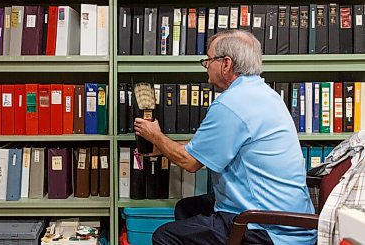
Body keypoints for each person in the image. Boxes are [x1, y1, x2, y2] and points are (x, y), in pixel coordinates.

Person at [134, 30, 317, 245]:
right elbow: (203, 149)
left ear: (226, 64)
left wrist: (156, 136)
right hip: (292, 220)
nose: (206, 66)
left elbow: (190, 162)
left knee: (165, 237)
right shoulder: (263, 93)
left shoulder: (232, 103)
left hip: (267, 227)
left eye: (208, 60)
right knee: (187, 208)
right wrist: (162, 147)